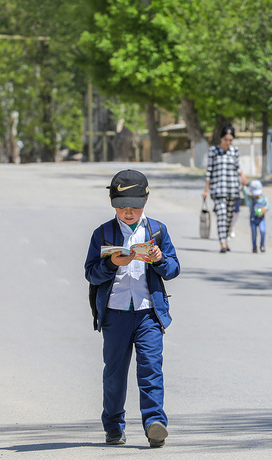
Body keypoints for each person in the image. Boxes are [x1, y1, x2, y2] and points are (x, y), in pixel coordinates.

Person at [84, 169, 180, 448]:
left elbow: (173, 269)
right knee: (114, 373)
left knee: (151, 369)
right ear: (112, 203)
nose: (128, 213)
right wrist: (112, 263)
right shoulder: (102, 233)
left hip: (149, 313)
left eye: (135, 207)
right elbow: (91, 274)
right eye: (122, 207)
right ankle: (113, 426)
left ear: (146, 200)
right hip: (114, 314)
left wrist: (160, 259)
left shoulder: (157, 231)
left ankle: (154, 424)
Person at [202, 125, 246, 253]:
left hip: (233, 189)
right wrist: (206, 190)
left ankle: (225, 238)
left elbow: (238, 168)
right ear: (221, 138)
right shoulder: (213, 151)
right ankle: (222, 243)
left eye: (230, 140)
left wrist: (242, 176)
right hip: (218, 190)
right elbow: (209, 171)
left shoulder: (234, 151)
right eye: (226, 139)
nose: (228, 142)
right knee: (221, 215)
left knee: (229, 217)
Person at [243, 179, 269, 253]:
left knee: (263, 231)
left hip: (261, 218)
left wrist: (265, 209)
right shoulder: (251, 199)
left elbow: (267, 206)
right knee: (254, 233)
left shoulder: (264, 199)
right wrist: (243, 186)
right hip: (253, 218)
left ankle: (262, 245)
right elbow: (245, 194)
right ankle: (254, 246)